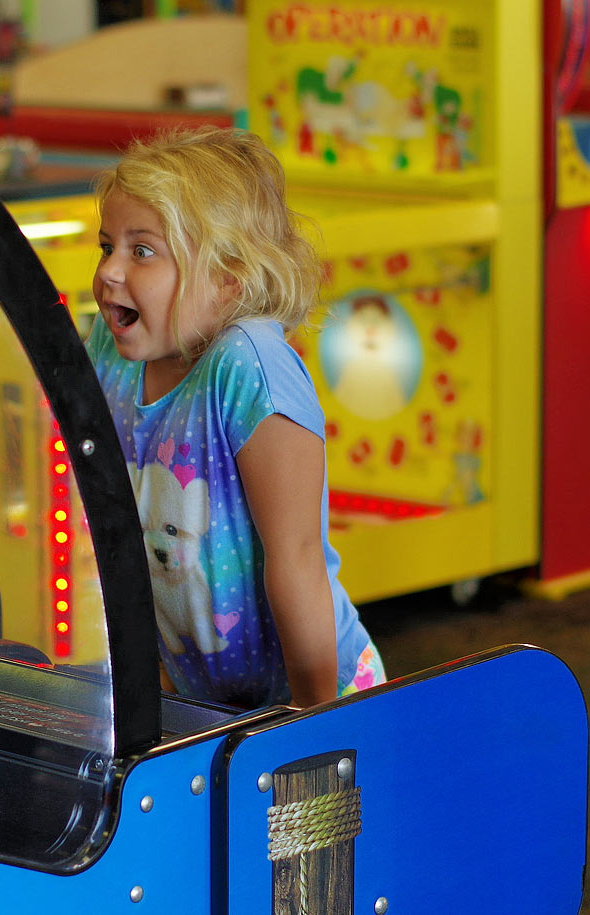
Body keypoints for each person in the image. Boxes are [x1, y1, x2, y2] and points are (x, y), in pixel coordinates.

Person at [86, 126, 384, 709]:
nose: (109, 273)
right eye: (106, 246)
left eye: (142, 250)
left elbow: (295, 556)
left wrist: (311, 731)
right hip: (209, 703)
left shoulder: (249, 365)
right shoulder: (113, 350)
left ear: (228, 280)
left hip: (318, 697)